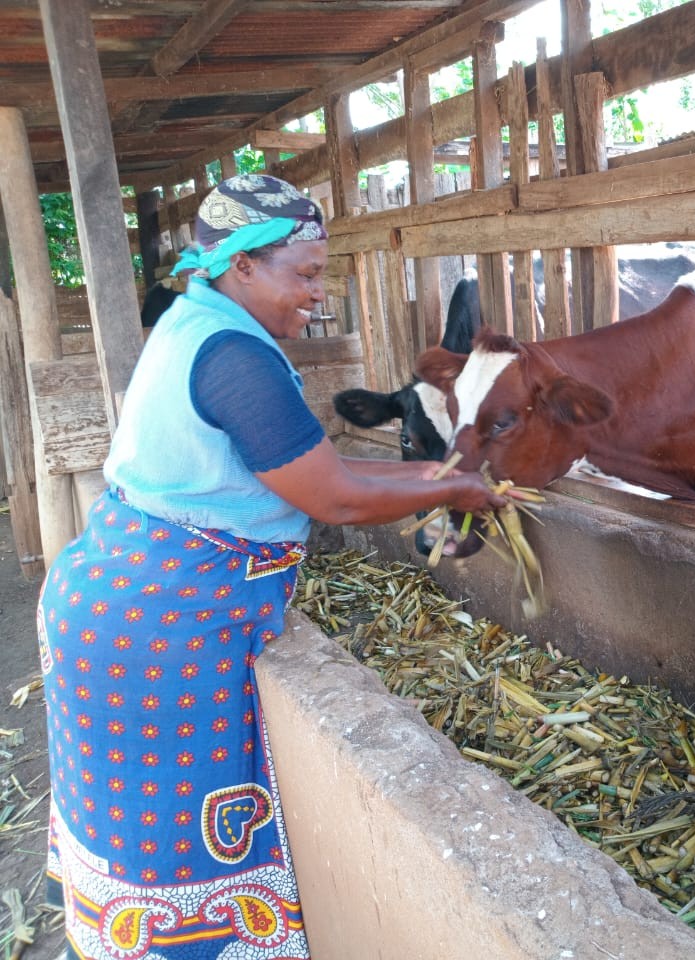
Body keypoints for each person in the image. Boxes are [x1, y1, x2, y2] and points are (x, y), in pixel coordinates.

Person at [36, 174, 507, 959]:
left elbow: (326, 469)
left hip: (116, 599)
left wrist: (446, 476)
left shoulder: (196, 324)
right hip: (157, 632)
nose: (318, 296)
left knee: (133, 833)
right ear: (244, 266)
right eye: (307, 274)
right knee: (175, 849)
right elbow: (338, 498)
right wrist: (455, 483)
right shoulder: (235, 358)